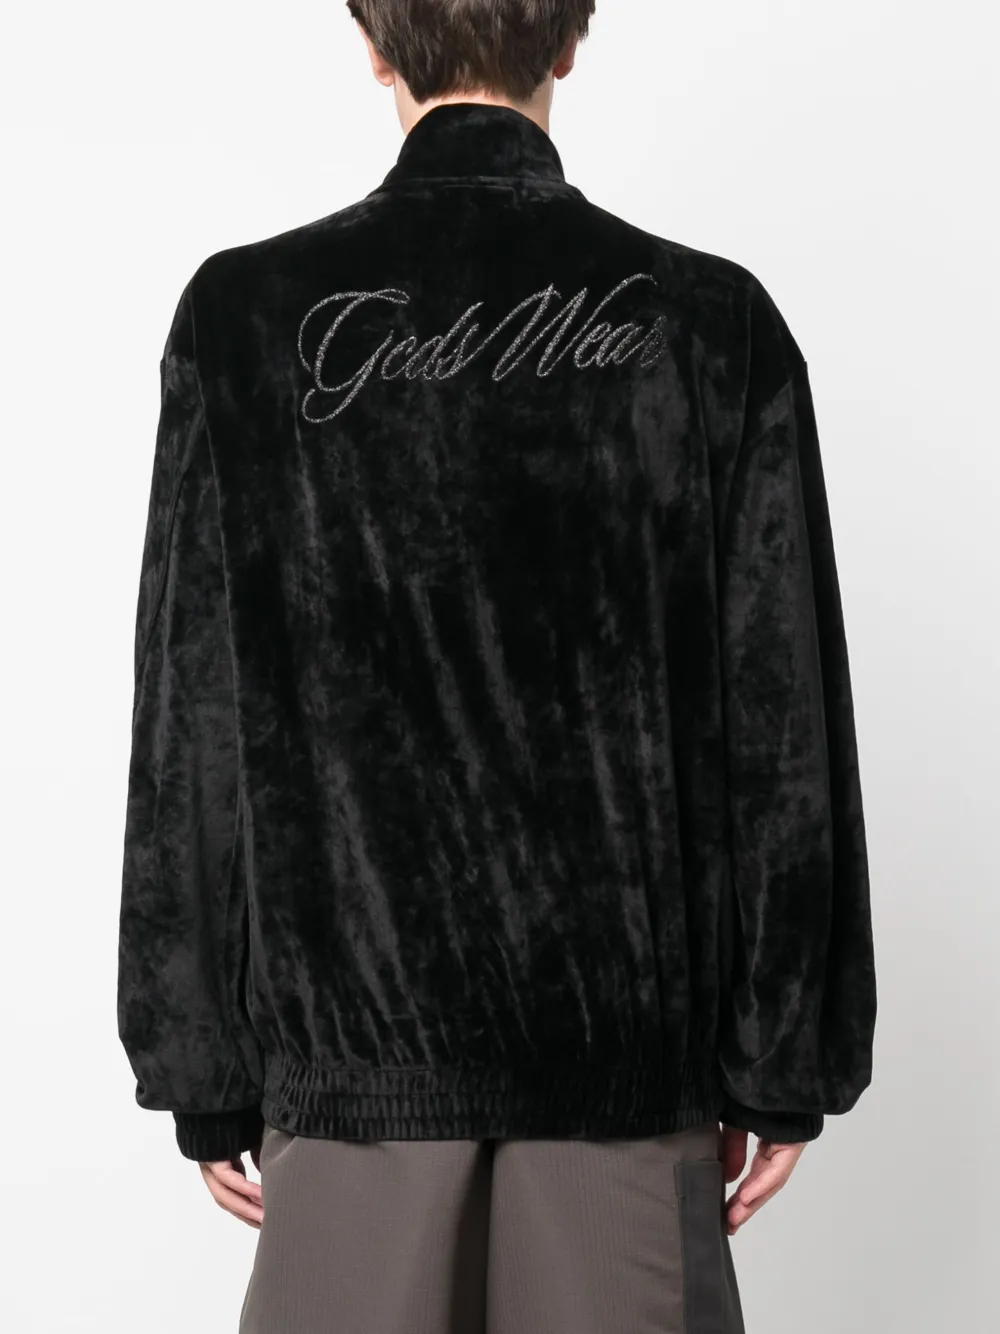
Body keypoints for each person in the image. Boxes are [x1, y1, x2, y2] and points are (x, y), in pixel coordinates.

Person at [117, 2, 877, 1330]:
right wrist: (781, 1060)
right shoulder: (714, 323)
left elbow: (196, 718)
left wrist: (201, 1061)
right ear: (573, 39)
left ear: (372, 43)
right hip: (624, 1075)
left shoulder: (243, 318)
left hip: (350, 1077)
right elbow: (782, 730)